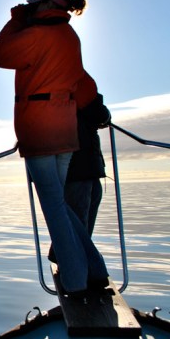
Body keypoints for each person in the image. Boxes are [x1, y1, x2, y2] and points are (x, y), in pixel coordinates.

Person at [0, 0, 109, 296]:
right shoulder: (69, 35)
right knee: (60, 205)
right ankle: (95, 269)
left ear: (44, 6)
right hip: (65, 128)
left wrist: (16, 20)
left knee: (55, 207)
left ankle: (76, 281)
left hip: (40, 128)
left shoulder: (37, 35)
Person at [65, 72, 111, 236]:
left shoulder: (48, 76)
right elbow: (99, 113)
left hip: (76, 163)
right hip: (80, 164)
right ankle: (71, 260)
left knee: (73, 221)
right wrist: (105, 116)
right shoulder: (73, 75)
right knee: (79, 224)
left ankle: (66, 259)